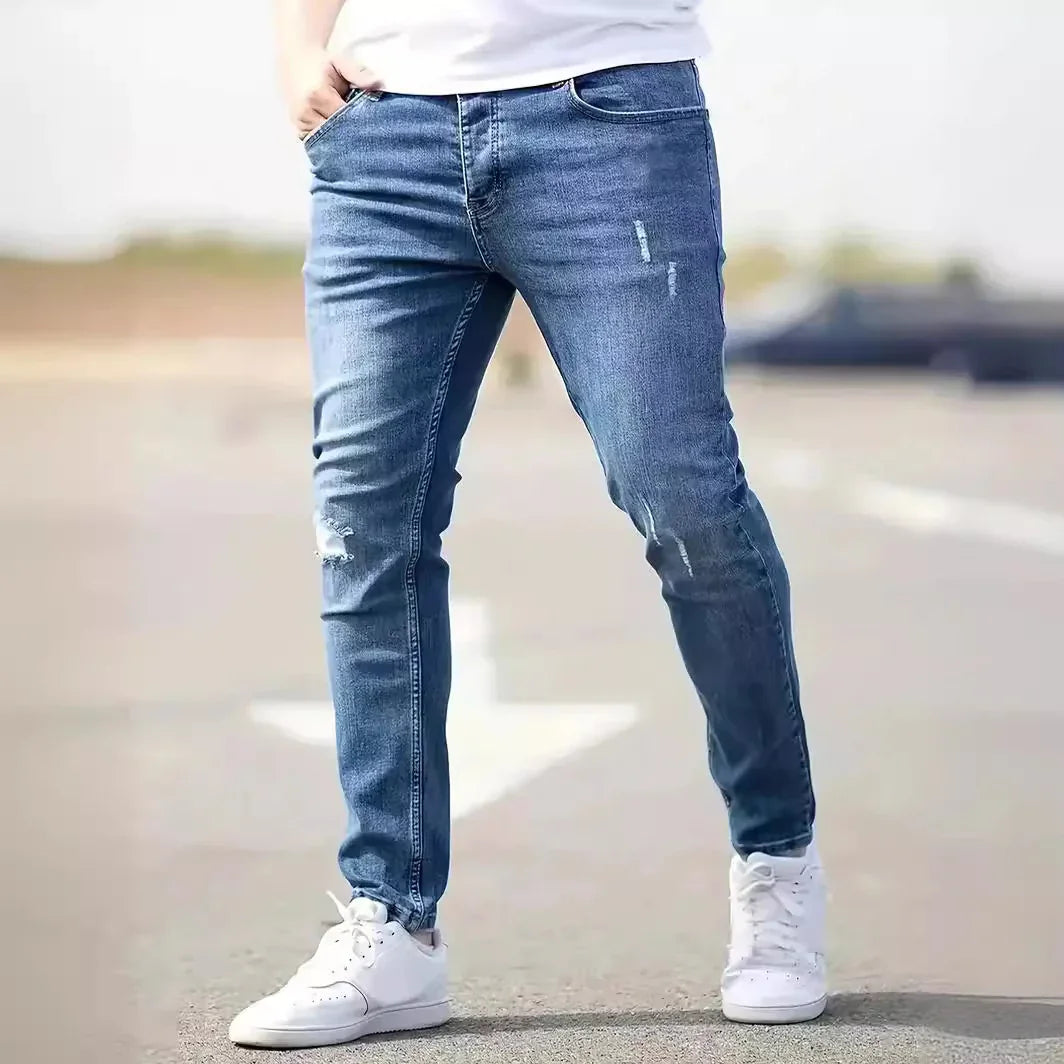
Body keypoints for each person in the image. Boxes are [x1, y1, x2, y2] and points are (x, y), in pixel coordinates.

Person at [229, 0, 826, 1048]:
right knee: (364, 522)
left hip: (609, 113)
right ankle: (391, 917)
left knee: (678, 493)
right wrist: (292, 52)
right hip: (383, 133)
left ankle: (775, 855)